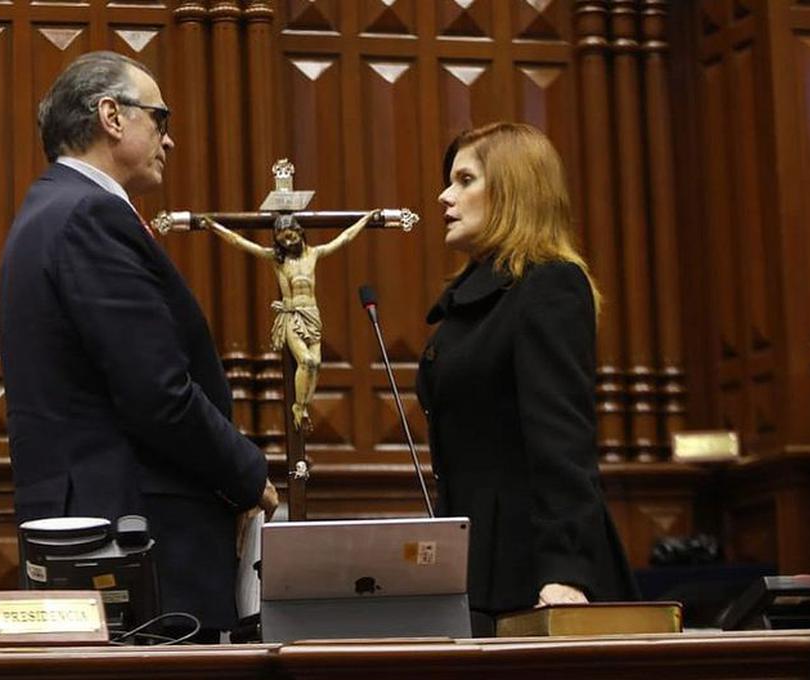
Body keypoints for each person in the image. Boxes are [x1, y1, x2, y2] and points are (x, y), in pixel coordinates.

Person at [0, 51, 277, 642]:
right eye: (160, 118)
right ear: (112, 116)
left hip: (85, 523)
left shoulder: (48, 209)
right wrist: (248, 472)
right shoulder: (89, 215)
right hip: (132, 531)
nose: (169, 140)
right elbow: (158, 393)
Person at [416, 122, 637, 626]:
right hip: (478, 563)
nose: (444, 196)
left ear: (513, 190)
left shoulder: (550, 286)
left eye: (465, 180)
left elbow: (563, 442)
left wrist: (566, 574)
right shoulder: (472, 302)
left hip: (535, 571)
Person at [200, 210, 378, 431]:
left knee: (317, 364)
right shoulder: (278, 260)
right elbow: (240, 242)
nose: (287, 239)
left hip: (312, 315)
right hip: (292, 316)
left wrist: (366, 219)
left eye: (290, 233)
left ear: (300, 232)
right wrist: (213, 226)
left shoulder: (313, 254)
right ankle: (299, 408)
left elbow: (345, 237)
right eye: (282, 236)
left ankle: (304, 404)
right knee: (306, 361)